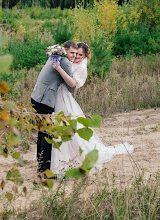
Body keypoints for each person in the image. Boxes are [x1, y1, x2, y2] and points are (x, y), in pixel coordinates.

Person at [50, 42, 134, 177]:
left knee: (69, 127)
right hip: (61, 97)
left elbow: (72, 83)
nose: (76, 56)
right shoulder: (73, 63)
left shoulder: (81, 69)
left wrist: (59, 68)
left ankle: (72, 156)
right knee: (64, 126)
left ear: (85, 56)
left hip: (65, 99)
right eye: (76, 53)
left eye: (80, 55)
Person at [31, 40, 78, 173]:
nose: (74, 56)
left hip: (36, 98)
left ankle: (40, 166)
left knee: (42, 133)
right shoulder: (64, 62)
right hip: (45, 100)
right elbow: (72, 89)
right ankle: (45, 171)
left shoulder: (55, 57)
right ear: (65, 51)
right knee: (48, 135)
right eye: (72, 52)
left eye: (76, 53)